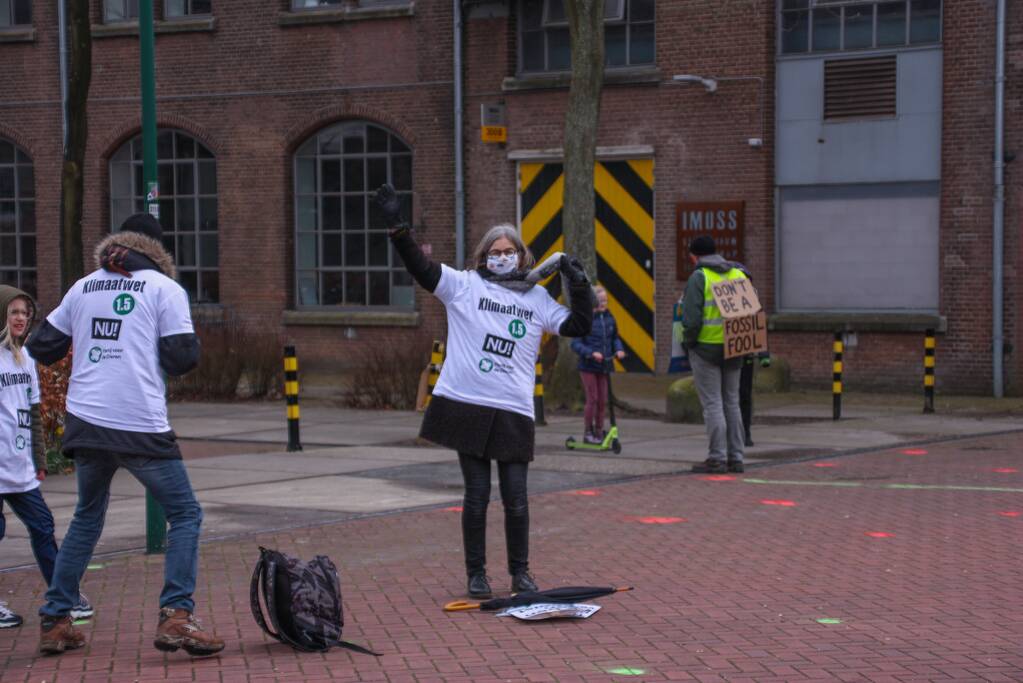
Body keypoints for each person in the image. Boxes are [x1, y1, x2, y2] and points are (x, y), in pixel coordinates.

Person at [374, 184, 592, 599]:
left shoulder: (537, 297)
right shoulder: (465, 286)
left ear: (523, 257)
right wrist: (397, 227)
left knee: (516, 498)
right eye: (496, 251)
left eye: (510, 251)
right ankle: (477, 575)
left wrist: (577, 283)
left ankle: (521, 574)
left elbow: (579, 326)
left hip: (512, 409)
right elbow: (421, 269)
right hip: (466, 404)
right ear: (484, 256)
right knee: (476, 496)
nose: (503, 256)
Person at [26, 214, 223, 657]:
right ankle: (177, 614)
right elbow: (181, 358)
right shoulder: (163, 289)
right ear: (158, 251)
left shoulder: (83, 286)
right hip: (137, 422)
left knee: (87, 516)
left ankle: (56, 619)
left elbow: (42, 345)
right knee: (186, 514)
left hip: (86, 420)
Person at [0, 286, 92, 629]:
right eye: (14, 312)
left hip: (18, 466)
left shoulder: (25, 360)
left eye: (25, 312)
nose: (21, 318)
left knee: (42, 526)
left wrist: (38, 458)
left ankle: (63, 595)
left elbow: (34, 414)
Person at [680, 235, 747, 474]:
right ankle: (736, 457)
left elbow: (691, 320)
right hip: (735, 346)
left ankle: (717, 458)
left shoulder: (700, 278)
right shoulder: (738, 274)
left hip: (706, 349)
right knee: (732, 402)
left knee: (713, 404)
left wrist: (688, 344)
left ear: (694, 256)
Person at [571, 285, 625, 444]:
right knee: (592, 399)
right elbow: (575, 343)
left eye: (605, 301)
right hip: (588, 366)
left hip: (604, 365)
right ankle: (588, 432)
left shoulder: (609, 318)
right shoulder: (585, 319)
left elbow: (615, 338)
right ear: (592, 301)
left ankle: (599, 431)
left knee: (602, 400)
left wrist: (619, 350)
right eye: (600, 300)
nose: (603, 303)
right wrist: (590, 353)